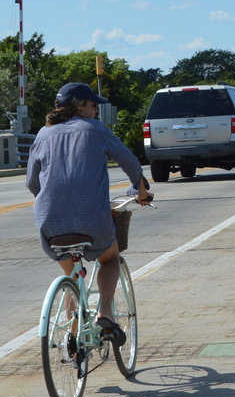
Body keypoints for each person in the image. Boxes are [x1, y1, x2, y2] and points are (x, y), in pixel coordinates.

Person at [26, 83, 150, 346]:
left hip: (49, 222)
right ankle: (105, 311)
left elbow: (32, 184)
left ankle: (73, 332)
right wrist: (140, 191)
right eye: (94, 105)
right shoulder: (96, 130)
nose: (96, 110)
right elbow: (130, 162)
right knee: (110, 257)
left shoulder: (43, 133)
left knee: (71, 273)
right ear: (80, 105)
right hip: (91, 220)